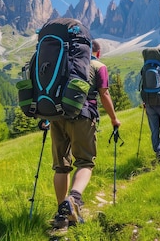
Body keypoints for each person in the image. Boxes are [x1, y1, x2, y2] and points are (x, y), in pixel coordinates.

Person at [51, 40, 121, 230]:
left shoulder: (62, 62)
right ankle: (74, 199)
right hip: (83, 116)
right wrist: (114, 119)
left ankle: (61, 216)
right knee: (85, 162)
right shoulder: (98, 66)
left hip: (56, 117)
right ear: (96, 53)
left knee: (61, 166)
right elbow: (104, 94)